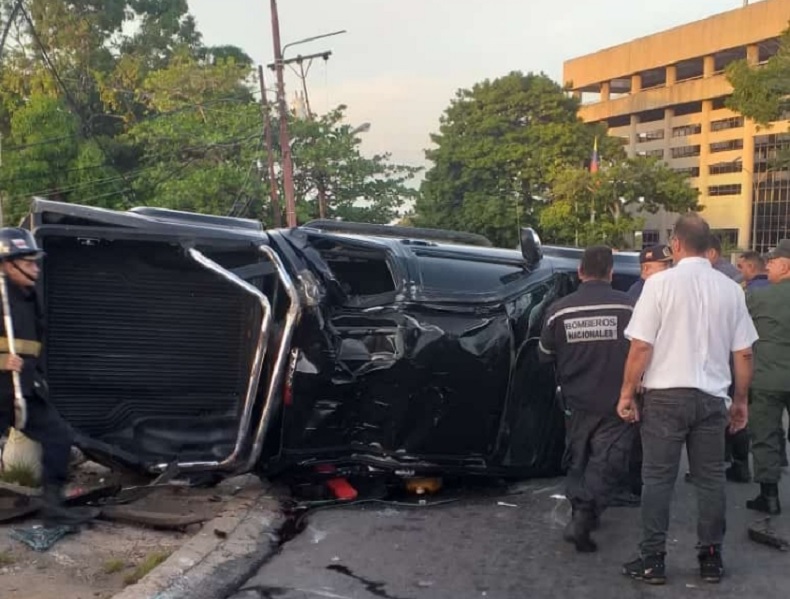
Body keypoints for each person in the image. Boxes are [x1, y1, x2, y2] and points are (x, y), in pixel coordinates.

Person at [617, 213, 758, 585]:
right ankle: (710, 558)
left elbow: (641, 346)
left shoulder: (659, 285)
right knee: (711, 480)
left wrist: (627, 393)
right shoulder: (731, 290)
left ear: (676, 244)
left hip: (664, 398)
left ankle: (652, 560)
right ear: (707, 244)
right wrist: (740, 401)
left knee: (658, 479)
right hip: (712, 400)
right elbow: (743, 353)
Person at [539, 245, 636, 553]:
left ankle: (582, 510)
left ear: (580, 272)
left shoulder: (559, 310)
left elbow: (544, 355)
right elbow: (645, 350)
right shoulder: (630, 307)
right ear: (611, 273)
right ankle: (583, 516)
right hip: (617, 400)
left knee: (578, 457)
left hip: (575, 400)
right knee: (607, 460)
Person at [0, 228, 94, 527]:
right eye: (29, 263)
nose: (35, 269)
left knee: (59, 437)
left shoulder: (27, 297)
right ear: (6, 263)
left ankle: (53, 506)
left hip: (23, 389)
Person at [744, 239, 790, 515]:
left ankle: (769, 497)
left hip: (767, 379)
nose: (767, 266)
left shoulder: (759, 297)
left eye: (771, 262)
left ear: (784, 265)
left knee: (766, 435)